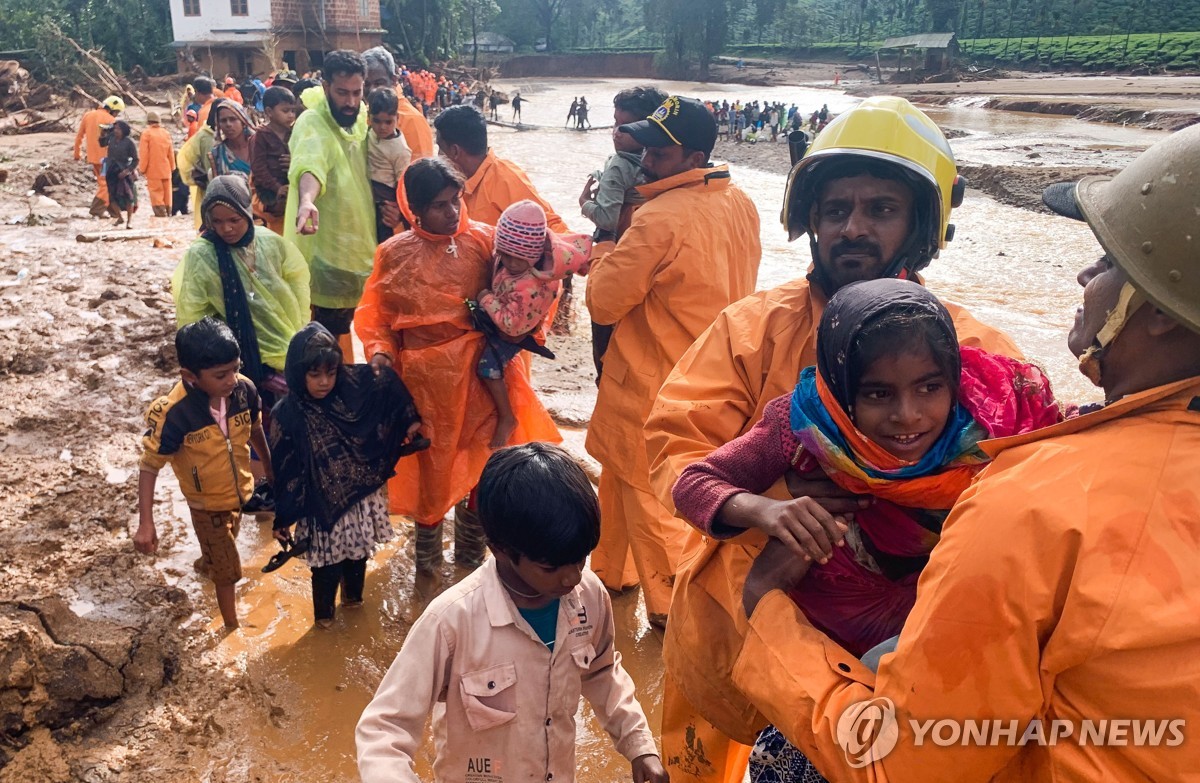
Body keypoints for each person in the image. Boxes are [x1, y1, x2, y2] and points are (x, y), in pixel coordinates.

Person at [733, 121, 1200, 783]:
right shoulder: (757, 330)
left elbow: (898, 759)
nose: (1084, 274)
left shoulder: (1032, 494)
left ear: (1156, 309)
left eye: (1108, 261)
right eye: (837, 209)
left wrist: (765, 612)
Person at [644, 97, 1022, 783]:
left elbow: (1019, 508)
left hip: (890, 655)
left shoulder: (976, 355)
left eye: (880, 208)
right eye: (835, 208)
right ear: (810, 220)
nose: (853, 227)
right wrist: (779, 496)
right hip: (732, 620)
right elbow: (673, 451)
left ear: (919, 225)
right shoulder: (749, 329)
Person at [673, 277, 1061, 662]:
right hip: (820, 645)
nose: (907, 415)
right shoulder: (808, 424)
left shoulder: (995, 425)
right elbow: (693, 484)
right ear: (843, 390)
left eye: (929, 388)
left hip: (949, 638)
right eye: (878, 394)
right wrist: (766, 510)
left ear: (952, 382)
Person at [356, 443, 668, 783]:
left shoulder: (588, 596)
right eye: (550, 568)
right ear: (500, 550)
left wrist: (640, 746)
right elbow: (385, 729)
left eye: (580, 559)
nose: (572, 577)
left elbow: (602, 672)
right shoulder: (452, 621)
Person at [584, 95, 762, 629]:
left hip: (651, 381)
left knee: (650, 498)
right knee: (618, 481)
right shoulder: (741, 203)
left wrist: (601, 246)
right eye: (646, 146)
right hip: (713, 373)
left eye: (659, 152)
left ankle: (669, 612)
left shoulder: (659, 217)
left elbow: (603, 300)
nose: (645, 159)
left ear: (693, 156)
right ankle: (607, 575)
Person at [355, 158, 560, 573]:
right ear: (414, 210)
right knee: (432, 473)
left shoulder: (485, 241)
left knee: (483, 469)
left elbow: (528, 289)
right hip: (426, 386)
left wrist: (524, 328)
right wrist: (380, 354)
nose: (451, 212)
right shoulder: (393, 254)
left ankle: (471, 565)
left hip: (484, 379)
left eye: (455, 200)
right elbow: (376, 316)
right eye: (438, 205)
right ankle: (427, 574)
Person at [269, 323, 423, 628]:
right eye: (315, 375)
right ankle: (323, 624)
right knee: (324, 570)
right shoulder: (287, 414)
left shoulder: (351, 387)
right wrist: (283, 518)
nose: (325, 382)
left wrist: (408, 421)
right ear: (299, 374)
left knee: (357, 559)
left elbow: (386, 384)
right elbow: (285, 470)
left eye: (331, 372)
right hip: (320, 509)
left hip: (359, 501)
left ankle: (354, 608)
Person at [135, 317, 273, 630]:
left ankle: (204, 564)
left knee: (221, 551)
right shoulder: (175, 413)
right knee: (228, 572)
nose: (232, 380)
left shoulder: (244, 392)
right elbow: (150, 464)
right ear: (190, 376)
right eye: (221, 375)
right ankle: (232, 627)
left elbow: (255, 429)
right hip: (205, 506)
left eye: (236, 368)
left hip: (238, 494)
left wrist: (269, 466)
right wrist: (146, 523)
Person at [172, 175, 310, 423]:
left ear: (248, 213)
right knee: (249, 425)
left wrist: (299, 337)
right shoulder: (202, 255)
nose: (226, 228)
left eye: (234, 220)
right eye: (217, 221)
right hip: (233, 361)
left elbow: (298, 288)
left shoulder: (271, 243)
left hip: (283, 351)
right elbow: (191, 313)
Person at [474, 200, 593, 447]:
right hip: (510, 310)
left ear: (534, 254)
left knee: (487, 368)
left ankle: (507, 417)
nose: (508, 262)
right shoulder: (511, 261)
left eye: (516, 259)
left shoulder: (531, 287)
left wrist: (486, 299)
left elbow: (511, 327)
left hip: (515, 330)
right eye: (503, 254)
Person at [285, 50, 380, 359]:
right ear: (325, 87)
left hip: (361, 247)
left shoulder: (362, 117)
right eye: (342, 93)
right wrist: (308, 199)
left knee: (367, 326)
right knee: (327, 335)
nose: (350, 102)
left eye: (357, 92)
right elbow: (309, 163)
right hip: (326, 250)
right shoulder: (312, 122)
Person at [578, 85, 668, 379]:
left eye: (624, 127)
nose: (615, 132)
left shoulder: (619, 164)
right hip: (645, 265)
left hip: (613, 256)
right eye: (615, 125)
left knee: (604, 348)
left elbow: (607, 217)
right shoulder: (660, 168)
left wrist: (585, 204)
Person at [433, 105, 568, 232]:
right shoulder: (453, 182)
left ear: (455, 151)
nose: (437, 156)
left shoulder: (506, 179)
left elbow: (550, 228)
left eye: (440, 149)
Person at [363, 46, 434, 161]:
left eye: (379, 83)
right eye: (366, 84)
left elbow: (422, 174)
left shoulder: (412, 120)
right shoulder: (361, 113)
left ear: (393, 80)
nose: (372, 90)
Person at [366, 87, 413, 243]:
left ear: (397, 118)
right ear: (369, 117)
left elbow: (402, 183)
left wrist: (399, 210)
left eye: (388, 122)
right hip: (367, 188)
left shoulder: (401, 150)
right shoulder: (368, 133)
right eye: (377, 121)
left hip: (385, 196)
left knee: (383, 237)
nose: (382, 127)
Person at [249, 86, 296, 234]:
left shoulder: (294, 133)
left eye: (293, 111)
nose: (291, 115)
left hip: (292, 185)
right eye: (285, 111)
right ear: (269, 112)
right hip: (270, 191)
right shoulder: (261, 136)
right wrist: (277, 187)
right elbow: (259, 168)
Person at [73, 95, 123, 218]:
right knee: (106, 184)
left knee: (103, 183)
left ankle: (113, 213)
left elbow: (79, 136)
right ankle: (96, 210)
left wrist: (77, 154)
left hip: (93, 157)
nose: (116, 114)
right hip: (107, 159)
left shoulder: (88, 115)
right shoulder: (111, 120)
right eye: (117, 112)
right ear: (112, 109)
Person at [138, 111, 176, 218]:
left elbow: (144, 153)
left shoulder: (147, 133)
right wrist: (172, 167)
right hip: (166, 168)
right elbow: (171, 152)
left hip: (153, 170)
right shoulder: (166, 133)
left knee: (156, 193)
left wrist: (142, 168)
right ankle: (168, 212)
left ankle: (160, 214)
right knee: (167, 193)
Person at [104, 119, 139, 229]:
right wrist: (102, 132)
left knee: (128, 197)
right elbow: (101, 143)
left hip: (124, 171)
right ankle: (119, 217)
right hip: (111, 170)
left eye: (118, 129)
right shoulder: (111, 139)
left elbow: (136, 159)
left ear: (124, 130)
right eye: (115, 128)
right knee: (112, 197)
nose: (116, 131)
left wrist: (127, 171)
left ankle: (129, 221)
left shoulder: (129, 142)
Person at [209, 99, 254, 178]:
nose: (228, 124)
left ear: (243, 121)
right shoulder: (218, 154)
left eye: (233, 119)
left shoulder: (258, 145)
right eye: (223, 121)